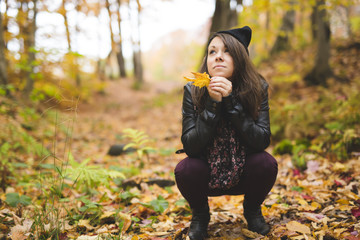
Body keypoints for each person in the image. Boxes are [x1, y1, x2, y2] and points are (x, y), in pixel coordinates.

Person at [174, 26, 278, 240]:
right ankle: (200, 216)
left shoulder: (257, 88)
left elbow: (261, 140)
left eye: (226, 51)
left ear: (240, 57)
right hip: (207, 171)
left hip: (243, 170)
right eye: (212, 52)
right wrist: (213, 104)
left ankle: (252, 210)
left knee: (266, 163)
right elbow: (191, 146)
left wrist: (231, 103)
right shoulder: (192, 89)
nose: (218, 57)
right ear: (207, 60)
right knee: (185, 169)